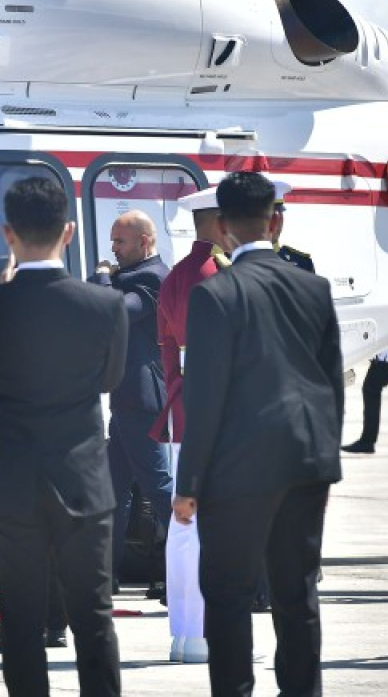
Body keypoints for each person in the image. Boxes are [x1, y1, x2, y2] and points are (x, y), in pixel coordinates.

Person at [0, 176, 126, 697]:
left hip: (13, 480)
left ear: (7, 232)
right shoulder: (106, 305)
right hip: (82, 477)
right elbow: (110, 379)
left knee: (22, 620)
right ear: (69, 232)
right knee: (93, 617)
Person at [174, 171, 344, 696]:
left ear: (221, 227)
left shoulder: (217, 294)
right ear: (275, 221)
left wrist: (188, 482)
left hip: (239, 469)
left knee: (227, 594)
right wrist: (324, 458)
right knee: (297, 592)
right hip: (305, 460)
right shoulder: (313, 287)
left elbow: (204, 396)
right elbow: (331, 381)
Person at [152, 185, 230, 664]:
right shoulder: (215, 274)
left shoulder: (178, 273)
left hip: (182, 408)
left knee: (184, 529)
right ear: (222, 222)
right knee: (207, 529)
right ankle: (201, 635)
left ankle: (184, 634)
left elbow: (167, 353)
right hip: (214, 413)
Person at [90, 210, 173, 602]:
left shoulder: (153, 277)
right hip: (126, 399)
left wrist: (103, 276)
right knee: (113, 492)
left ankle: (193, 569)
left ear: (144, 241)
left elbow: (114, 313)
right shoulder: (135, 275)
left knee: (159, 490)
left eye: (120, 242)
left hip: (141, 402)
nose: (113, 249)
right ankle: (104, 577)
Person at [271, 180, 315, 273]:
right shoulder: (238, 263)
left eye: (280, 212)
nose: (277, 220)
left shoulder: (302, 264)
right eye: (269, 214)